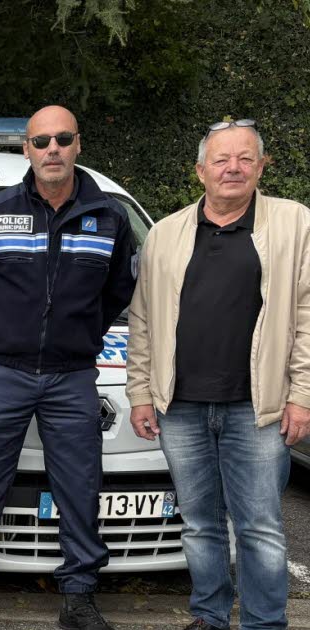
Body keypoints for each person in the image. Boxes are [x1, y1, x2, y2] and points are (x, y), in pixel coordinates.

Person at [0, 105, 136, 630]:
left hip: (73, 378)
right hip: (3, 371)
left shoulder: (110, 218)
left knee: (79, 487)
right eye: (41, 140)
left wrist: (84, 335)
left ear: (78, 146)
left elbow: (120, 288)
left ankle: (78, 597)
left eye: (63, 139)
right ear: (26, 149)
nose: (52, 149)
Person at [126, 119, 310, 630]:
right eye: (222, 160)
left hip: (257, 406)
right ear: (200, 170)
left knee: (261, 527)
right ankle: (209, 615)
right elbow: (142, 320)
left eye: (245, 158)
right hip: (181, 406)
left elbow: (307, 315)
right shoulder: (166, 232)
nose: (233, 168)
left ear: (262, 166)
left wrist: (304, 396)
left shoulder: (295, 224)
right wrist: (142, 392)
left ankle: (263, 622)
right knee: (200, 524)